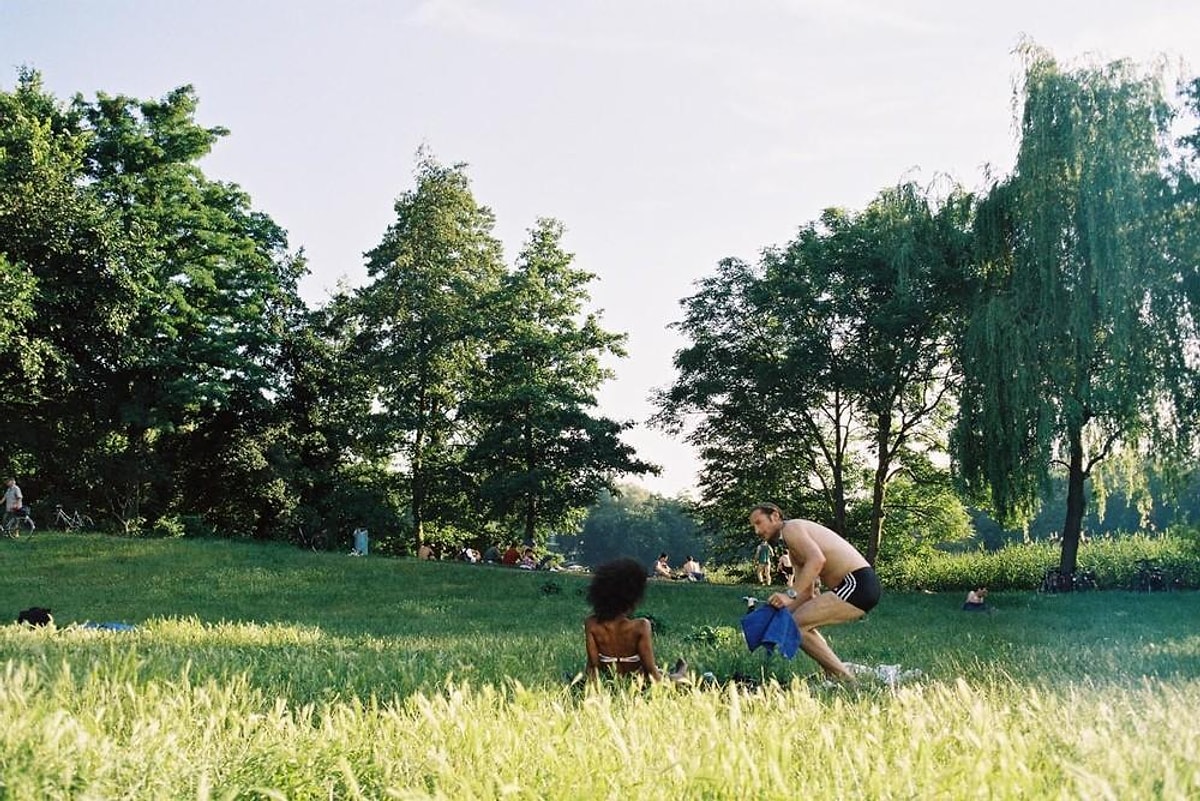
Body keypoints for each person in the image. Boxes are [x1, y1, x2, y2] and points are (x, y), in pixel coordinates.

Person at [749, 503, 881, 682]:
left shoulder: (791, 528)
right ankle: (833, 673)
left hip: (857, 583)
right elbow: (806, 593)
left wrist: (789, 595)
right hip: (856, 586)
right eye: (754, 526)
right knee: (799, 623)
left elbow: (817, 560)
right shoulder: (793, 548)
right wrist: (775, 612)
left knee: (797, 626)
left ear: (774, 516)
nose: (757, 531)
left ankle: (845, 679)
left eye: (759, 522)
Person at [584, 557, 686, 683]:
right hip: (637, 679)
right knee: (662, 674)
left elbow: (592, 667)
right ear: (632, 597)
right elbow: (650, 671)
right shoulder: (641, 626)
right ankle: (679, 674)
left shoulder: (591, 624)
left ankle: (676, 672)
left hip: (610, 678)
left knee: (660, 672)